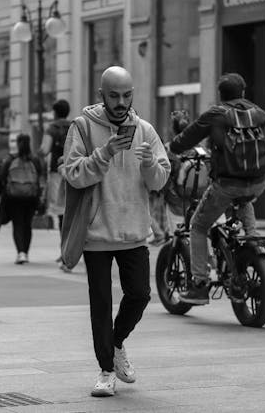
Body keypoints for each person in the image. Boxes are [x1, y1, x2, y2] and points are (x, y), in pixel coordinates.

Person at [64, 66, 170, 397]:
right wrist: (106, 152)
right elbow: (73, 173)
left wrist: (150, 164)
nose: (121, 102)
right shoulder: (82, 127)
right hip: (97, 232)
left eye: (127, 95)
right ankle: (106, 370)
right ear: (101, 96)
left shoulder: (146, 130)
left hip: (134, 232)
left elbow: (160, 180)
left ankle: (117, 342)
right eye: (114, 95)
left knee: (139, 295)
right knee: (100, 304)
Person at [169, 73, 265, 305]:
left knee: (198, 225)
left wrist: (173, 147)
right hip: (259, 182)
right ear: (243, 93)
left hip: (227, 184)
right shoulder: (259, 113)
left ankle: (200, 285)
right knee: (244, 198)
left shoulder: (216, 114)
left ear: (220, 94)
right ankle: (252, 237)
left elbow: (186, 138)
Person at [0, 133, 42, 264]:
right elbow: (40, 175)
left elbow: (1, 175)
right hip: (31, 197)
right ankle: (26, 253)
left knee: (17, 224)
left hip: (14, 197)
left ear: (17, 143)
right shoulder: (34, 160)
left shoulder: (11, 159)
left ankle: (20, 252)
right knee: (27, 225)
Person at [38, 99, 71, 269]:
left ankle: (65, 251)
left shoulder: (52, 128)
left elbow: (44, 150)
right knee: (72, 214)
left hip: (58, 173)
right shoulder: (74, 125)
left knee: (61, 215)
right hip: (75, 172)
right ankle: (67, 251)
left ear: (55, 112)